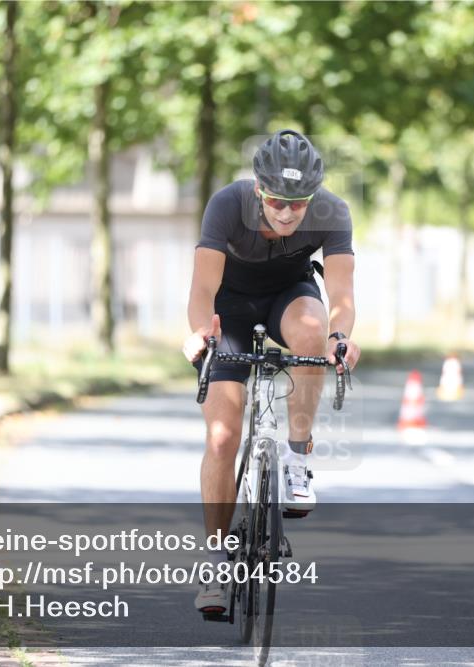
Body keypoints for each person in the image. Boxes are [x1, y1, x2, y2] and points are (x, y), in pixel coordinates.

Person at [182, 129, 360, 614]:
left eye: (298, 204)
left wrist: (340, 338)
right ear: (259, 189)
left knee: (313, 331)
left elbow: (341, 296)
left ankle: (297, 456)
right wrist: (200, 333)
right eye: (277, 200)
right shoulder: (227, 204)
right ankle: (216, 561)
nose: (286, 212)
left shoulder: (333, 211)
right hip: (229, 308)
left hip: (290, 296)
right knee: (222, 436)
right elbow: (202, 289)